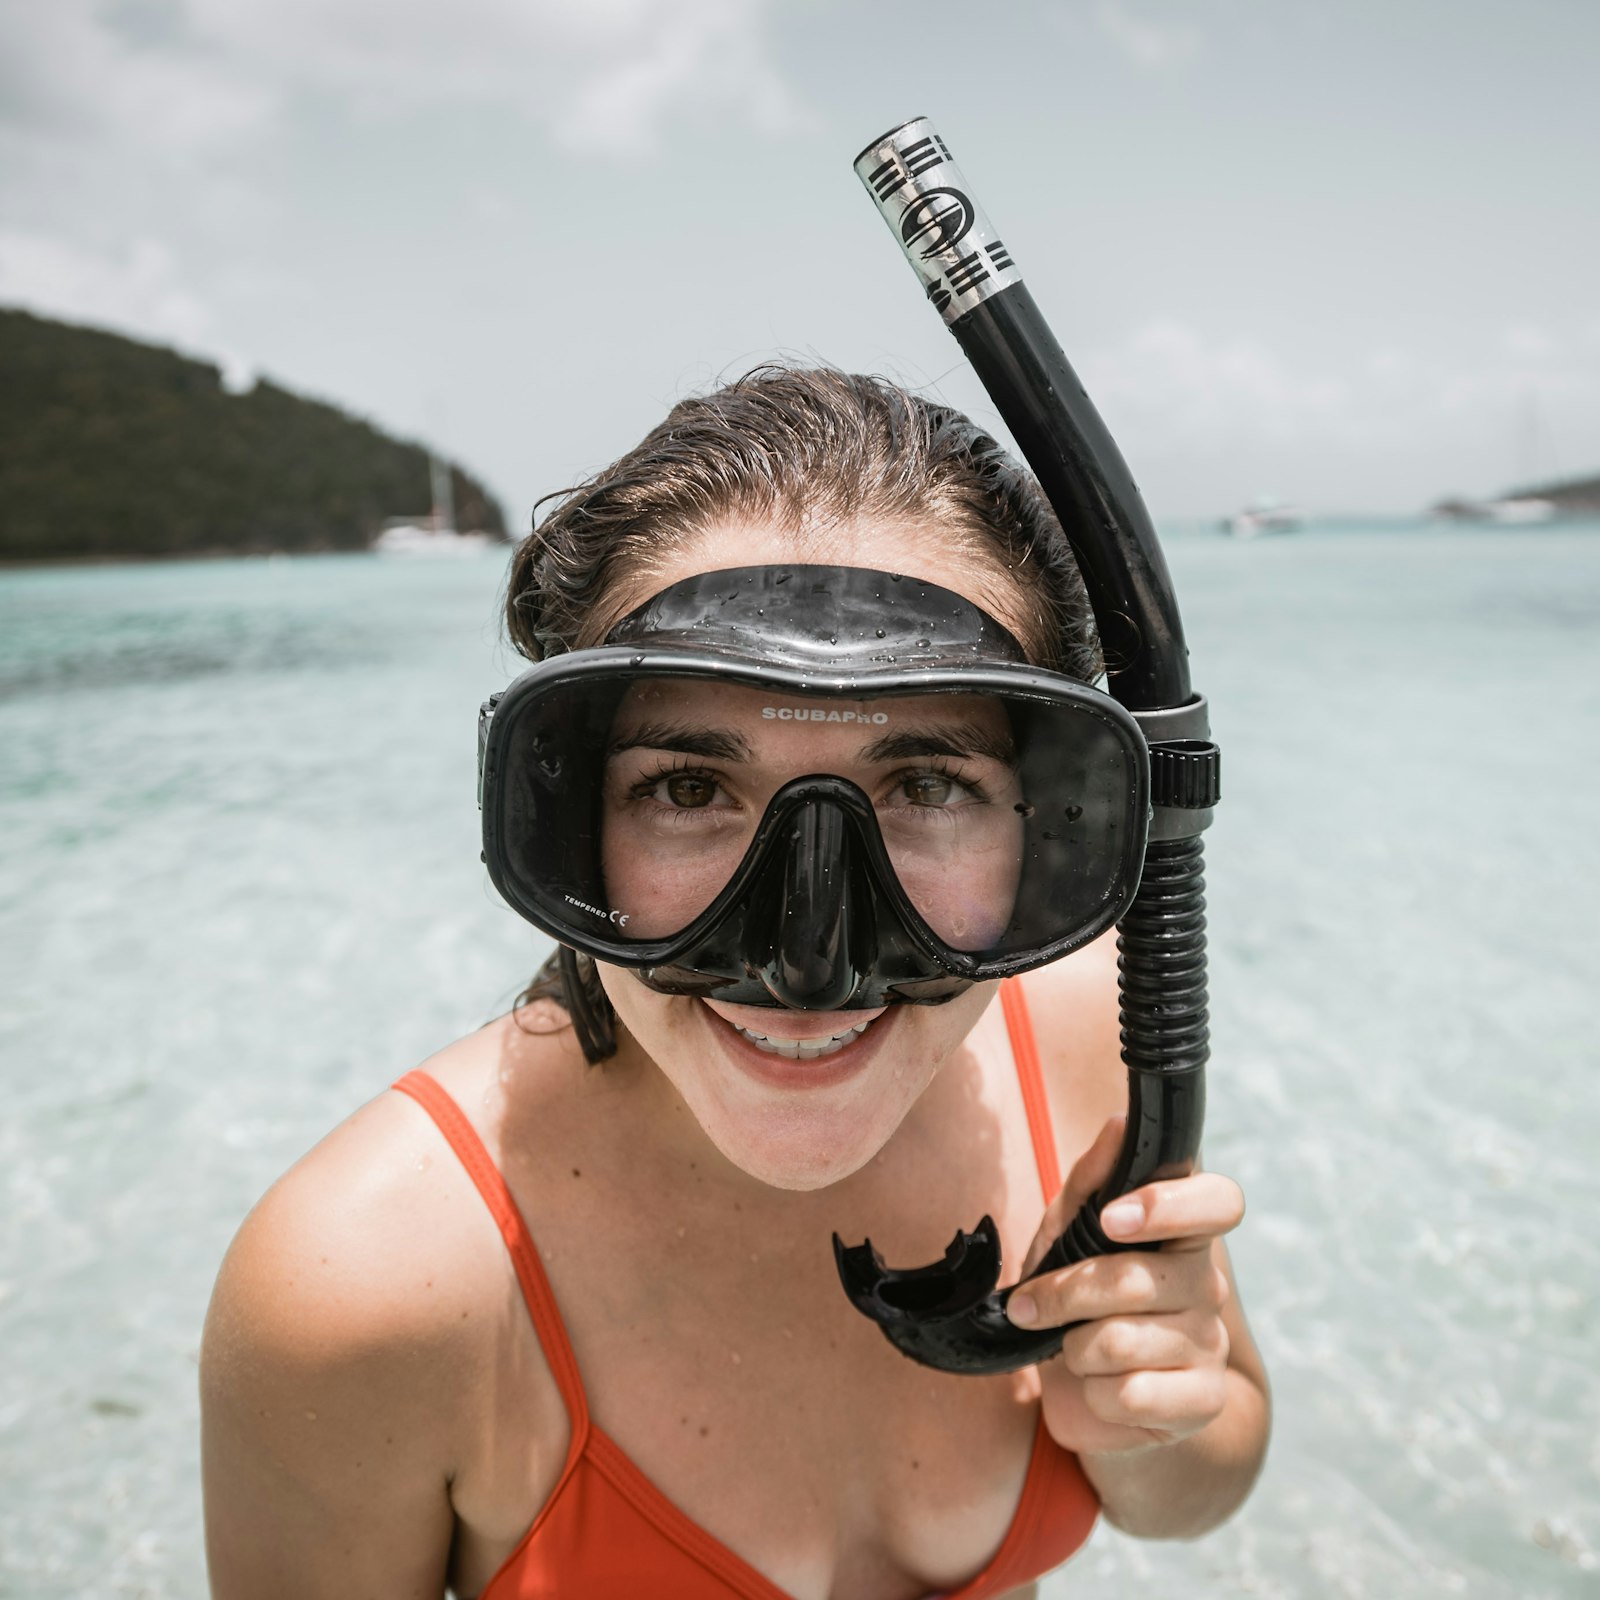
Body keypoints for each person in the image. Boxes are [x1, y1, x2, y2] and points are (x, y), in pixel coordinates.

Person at [200, 367, 1270, 1600]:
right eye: (689, 790)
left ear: (1047, 827)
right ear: (567, 817)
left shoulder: (1088, 1036)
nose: (808, 959)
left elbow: (1198, 1486)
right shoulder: (369, 1286)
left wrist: (1157, 1424)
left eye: (925, 785)